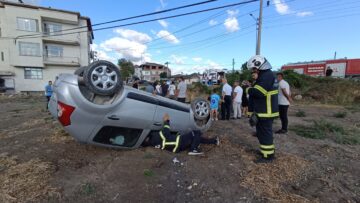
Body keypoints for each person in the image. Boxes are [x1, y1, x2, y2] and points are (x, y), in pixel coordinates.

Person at [247, 55, 279, 163]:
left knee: (265, 133)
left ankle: (268, 156)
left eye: (254, 68)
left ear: (259, 65)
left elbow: (258, 92)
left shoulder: (266, 76)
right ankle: (264, 151)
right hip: (264, 110)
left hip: (267, 111)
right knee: (261, 132)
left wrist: (248, 90)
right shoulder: (267, 75)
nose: (253, 70)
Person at [145, 113, 220, 155]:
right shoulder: (155, 136)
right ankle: (193, 149)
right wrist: (166, 121)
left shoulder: (151, 142)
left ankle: (214, 141)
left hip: (177, 145)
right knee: (196, 132)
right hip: (178, 142)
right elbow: (165, 133)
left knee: (197, 138)